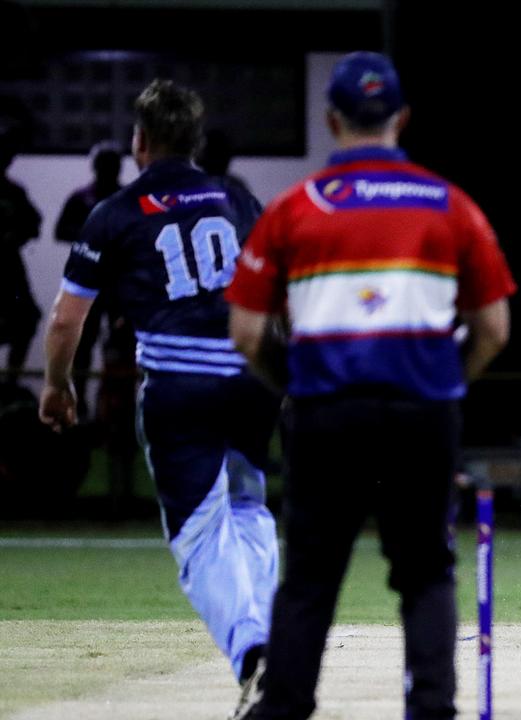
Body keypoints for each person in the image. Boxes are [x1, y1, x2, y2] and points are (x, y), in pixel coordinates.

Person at [225, 51, 515, 720]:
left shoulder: (294, 209)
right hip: (423, 414)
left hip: (324, 415)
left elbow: (245, 331)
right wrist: (444, 383)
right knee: (424, 571)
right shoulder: (453, 207)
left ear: (332, 121)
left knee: (309, 579)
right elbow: (494, 328)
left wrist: (292, 382)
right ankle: (433, 709)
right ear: (402, 119)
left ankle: (285, 708)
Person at [38, 79, 280, 695]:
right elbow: (279, 291)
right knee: (249, 506)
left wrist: (57, 386)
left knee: (198, 532)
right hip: (251, 380)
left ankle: (253, 649)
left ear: (139, 142)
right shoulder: (236, 198)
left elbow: (67, 318)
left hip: (181, 389)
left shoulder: (115, 212)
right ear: (195, 143)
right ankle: (274, 640)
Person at [53, 140, 138, 512]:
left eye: (112, 162)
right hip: (90, 281)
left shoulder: (126, 197)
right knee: (82, 343)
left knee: (122, 347)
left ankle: (120, 412)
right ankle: (82, 406)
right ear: (94, 165)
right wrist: (90, 235)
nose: (107, 168)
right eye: (101, 162)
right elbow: (59, 229)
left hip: (117, 285)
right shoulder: (82, 198)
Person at [0, 128, 41, 385]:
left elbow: (33, 225)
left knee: (26, 321)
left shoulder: (14, 191)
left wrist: (13, 237)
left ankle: (10, 384)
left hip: (8, 269)